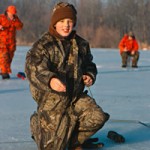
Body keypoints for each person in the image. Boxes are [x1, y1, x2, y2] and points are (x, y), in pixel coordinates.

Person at [25, 2, 109, 150]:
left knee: (98, 117)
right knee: (53, 148)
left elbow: (89, 64)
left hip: (76, 97)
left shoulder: (81, 44)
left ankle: (73, 141)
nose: (66, 25)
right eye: (62, 21)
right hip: (52, 100)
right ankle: (37, 125)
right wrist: (51, 80)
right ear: (55, 23)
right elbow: (33, 68)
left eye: (70, 21)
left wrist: (89, 75)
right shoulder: (43, 45)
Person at [0, 5, 23, 79]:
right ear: (7, 12)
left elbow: (20, 27)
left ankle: (5, 70)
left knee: (9, 57)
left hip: (12, 43)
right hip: (2, 42)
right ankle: (4, 73)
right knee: (4, 56)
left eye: (14, 13)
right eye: (11, 13)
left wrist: (15, 20)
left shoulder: (15, 19)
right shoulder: (1, 18)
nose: (12, 15)